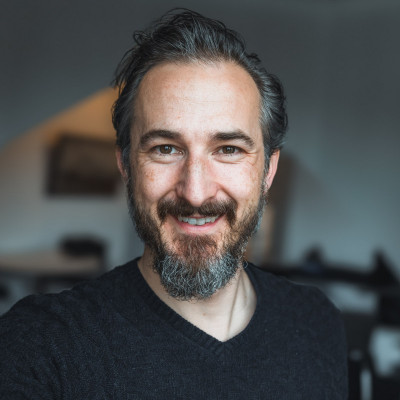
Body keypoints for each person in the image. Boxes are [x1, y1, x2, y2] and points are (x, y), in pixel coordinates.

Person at [0, 9, 348, 399]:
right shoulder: (40, 346)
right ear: (126, 166)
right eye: (165, 149)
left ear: (268, 170)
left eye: (228, 149)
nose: (195, 193)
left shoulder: (318, 323)